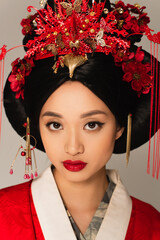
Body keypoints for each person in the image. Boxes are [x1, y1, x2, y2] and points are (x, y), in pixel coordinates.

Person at [0, 0, 160, 239]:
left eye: (92, 124)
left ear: (120, 126)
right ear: (36, 125)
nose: (73, 147)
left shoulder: (153, 225)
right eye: (55, 125)